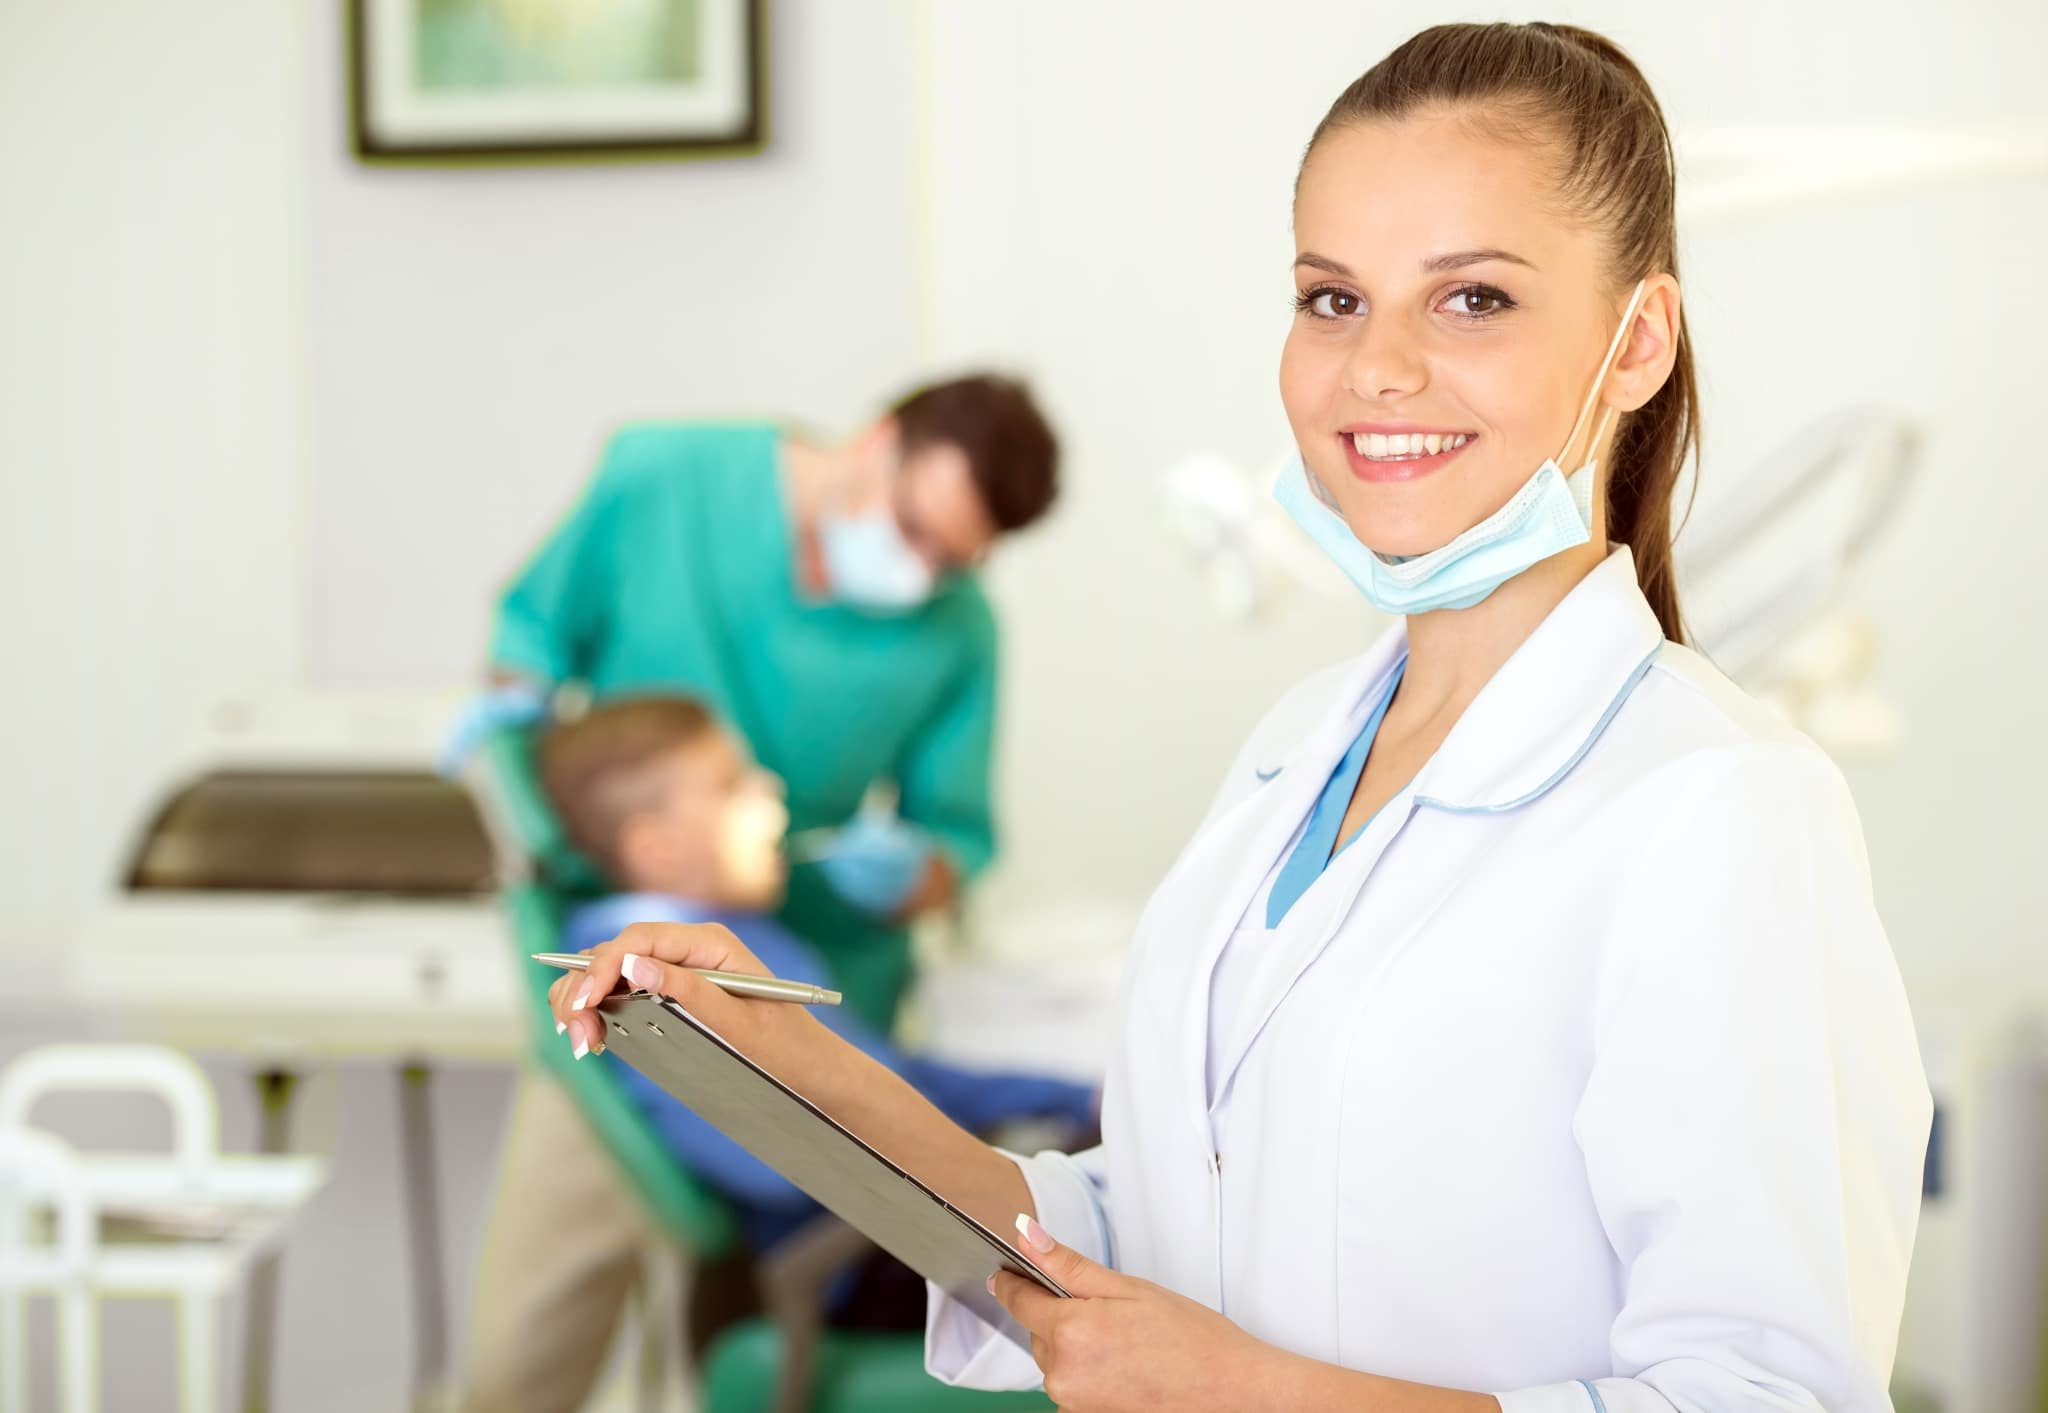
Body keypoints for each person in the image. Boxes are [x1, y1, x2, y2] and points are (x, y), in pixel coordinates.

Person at [553, 22, 1931, 1413]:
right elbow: (1136, 1244)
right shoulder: (1297, 753)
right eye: (1333, 299)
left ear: (1634, 344)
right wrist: (801, 1066)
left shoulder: (1720, 805)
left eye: (1472, 301)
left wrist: (1253, 1390)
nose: (1375, 368)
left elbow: (1774, 1397)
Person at [456, 377, 1058, 1413]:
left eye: (951, 561)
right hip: (627, 989)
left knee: (741, 1336)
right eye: (911, 529)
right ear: (876, 443)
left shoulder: (958, 633)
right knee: (529, 1354)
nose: (920, 574)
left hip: (814, 985)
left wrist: (908, 871)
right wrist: (508, 729)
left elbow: (955, 841)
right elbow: (529, 639)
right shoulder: (665, 479)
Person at [542, 694, 1096, 1254]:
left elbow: (892, 1078)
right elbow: (771, 1170)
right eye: (731, 784)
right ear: (654, 848)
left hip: (905, 1211)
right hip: (852, 1248)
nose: (771, 789)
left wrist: (1072, 1098)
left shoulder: (753, 936)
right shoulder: (640, 964)